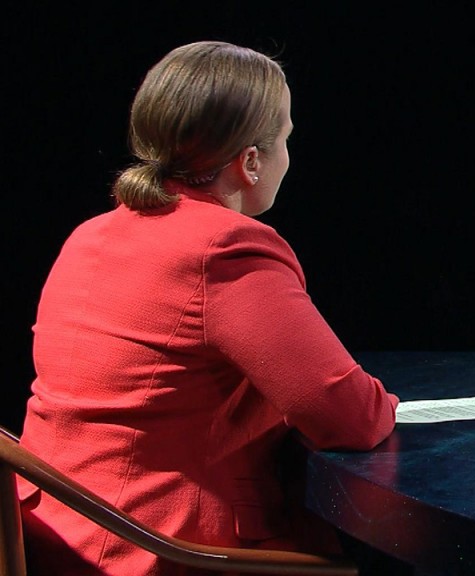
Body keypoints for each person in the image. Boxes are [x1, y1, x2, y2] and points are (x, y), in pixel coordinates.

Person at [16, 41, 399, 575]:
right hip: (161, 551)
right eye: (286, 139)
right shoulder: (224, 248)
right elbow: (350, 418)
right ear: (249, 162)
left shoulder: (90, 235)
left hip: (47, 538)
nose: (290, 155)